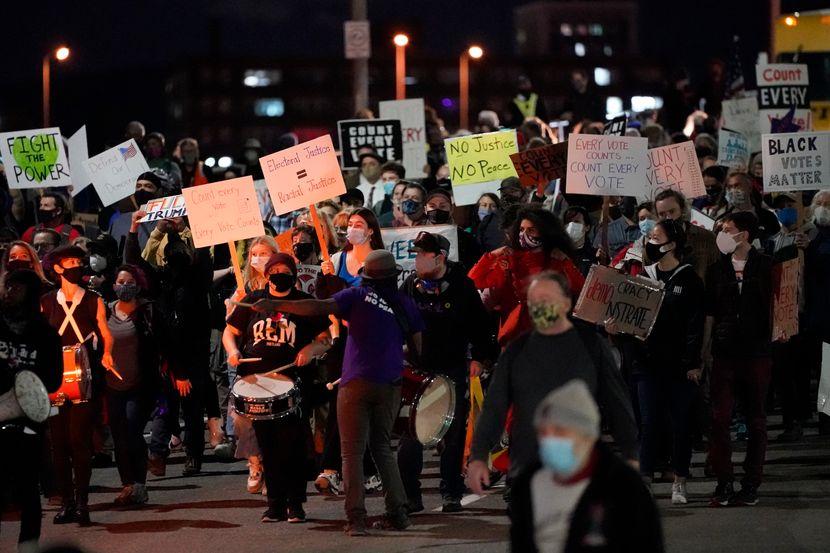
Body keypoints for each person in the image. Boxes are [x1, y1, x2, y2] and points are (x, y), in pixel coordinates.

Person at [251, 250, 425, 536]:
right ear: (394, 277)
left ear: (366, 276)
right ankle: (398, 512)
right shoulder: (405, 303)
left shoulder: (356, 296)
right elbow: (419, 349)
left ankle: (356, 519)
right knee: (382, 449)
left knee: (351, 454)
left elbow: (317, 308)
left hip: (355, 383)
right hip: (389, 384)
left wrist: (275, 303)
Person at [467, 272, 638, 489]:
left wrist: (630, 452)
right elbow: (494, 407)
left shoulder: (592, 347)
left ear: (566, 303)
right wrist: (479, 454)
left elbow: (616, 402)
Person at [224, 253, 331, 523]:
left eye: (285, 269)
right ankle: (275, 504)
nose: (279, 274)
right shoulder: (253, 301)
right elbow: (229, 332)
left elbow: (325, 339)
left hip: (292, 384)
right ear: (267, 274)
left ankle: (295, 504)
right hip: (257, 384)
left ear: (293, 274)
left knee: (292, 446)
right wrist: (233, 351)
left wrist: (309, 349)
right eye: (275, 269)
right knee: (268, 447)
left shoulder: (303, 304)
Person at [398, 231, 492, 513]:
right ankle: (411, 496)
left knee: (451, 435)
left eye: (422, 254)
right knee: (410, 434)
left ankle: (451, 491)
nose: (416, 259)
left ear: (439, 257)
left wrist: (480, 358)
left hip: (451, 367)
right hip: (418, 370)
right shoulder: (410, 286)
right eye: (415, 253)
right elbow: (397, 319)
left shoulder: (463, 287)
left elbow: (481, 327)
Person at [510, 380, 664, 553]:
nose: (550, 440)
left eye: (560, 431)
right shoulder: (527, 485)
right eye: (544, 432)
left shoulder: (624, 487)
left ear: (587, 435)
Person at [620, 219, 704, 504]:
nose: (651, 242)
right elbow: (629, 318)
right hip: (646, 364)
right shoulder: (644, 275)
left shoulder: (689, 279)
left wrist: (694, 362)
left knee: (680, 423)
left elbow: (696, 325)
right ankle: (644, 478)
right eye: (649, 237)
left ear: (673, 243)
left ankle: (679, 479)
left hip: (679, 365)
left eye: (656, 237)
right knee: (649, 421)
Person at [40, 246, 119, 525]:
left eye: (78, 261)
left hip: (83, 373)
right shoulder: (47, 301)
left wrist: (108, 353)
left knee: (79, 441)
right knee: (58, 444)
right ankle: (67, 503)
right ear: (58, 269)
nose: (77, 266)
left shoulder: (94, 300)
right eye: (71, 262)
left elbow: (105, 333)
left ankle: (83, 503)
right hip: (54, 376)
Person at [704, 212, 773, 506]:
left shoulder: (767, 265)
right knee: (720, 419)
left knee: (755, 419)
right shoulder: (716, 269)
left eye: (727, 229)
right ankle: (724, 481)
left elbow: (781, 303)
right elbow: (710, 311)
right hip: (724, 353)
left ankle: (751, 483)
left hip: (757, 352)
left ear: (743, 234)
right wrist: (705, 349)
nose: (721, 232)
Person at [0, 269, 62, 550]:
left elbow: (54, 379)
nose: (9, 291)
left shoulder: (45, 335)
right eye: (7, 285)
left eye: (16, 287)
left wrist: (27, 385)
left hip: (27, 419)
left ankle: (28, 546)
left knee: (27, 490)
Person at [469, 206, 585, 346]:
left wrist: (566, 262)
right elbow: (473, 281)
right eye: (522, 230)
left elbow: (581, 291)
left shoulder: (557, 260)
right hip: (512, 336)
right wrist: (491, 256)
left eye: (531, 230)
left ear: (545, 232)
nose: (524, 234)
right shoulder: (509, 258)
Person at [105, 264, 162, 506]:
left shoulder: (147, 312)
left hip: (139, 384)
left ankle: (139, 483)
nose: (124, 286)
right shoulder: (104, 311)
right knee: (119, 436)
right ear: (113, 285)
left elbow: (162, 344)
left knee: (132, 430)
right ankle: (127, 484)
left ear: (138, 286)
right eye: (120, 281)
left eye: (129, 282)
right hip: (110, 385)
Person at [654, 189, 720, 280]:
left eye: (672, 211)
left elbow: (717, 276)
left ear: (682, 209)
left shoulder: (706, 237)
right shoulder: (653, 245)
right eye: (662, 214)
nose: (668, 218)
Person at [423, 189, 482, 270]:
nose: (437, 210)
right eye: (432, 206)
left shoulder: (465, 238)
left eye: (443, 206)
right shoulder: (416, 235)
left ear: (451, 209)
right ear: (425, 209)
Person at [715, 172, 780, 242]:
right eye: (730, 187)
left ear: (749, 187)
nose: (733, 190)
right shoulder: (722, 219)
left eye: (737, 185)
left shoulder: (768, 217)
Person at [563, 206, 596, 276]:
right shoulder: (558, 253)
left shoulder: (594, 255)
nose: (571, 225)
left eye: (577, 222)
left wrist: (602, 262)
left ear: (587, 227)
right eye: (568, 222)